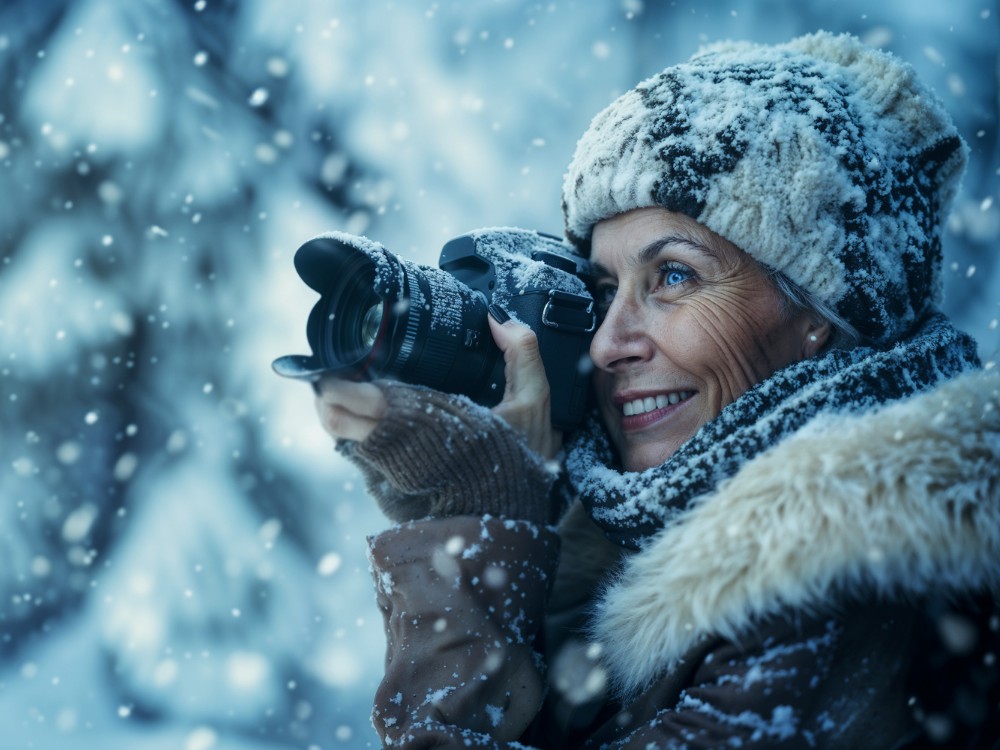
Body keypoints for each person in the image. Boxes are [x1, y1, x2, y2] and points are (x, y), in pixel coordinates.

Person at [313, 31, 1000, 748]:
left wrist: (476, 519)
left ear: (821, 314)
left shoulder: (838, 588)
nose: (611, 344)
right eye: (605, 290)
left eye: (674, 276)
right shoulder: (649, 539)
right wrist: (522, 510)